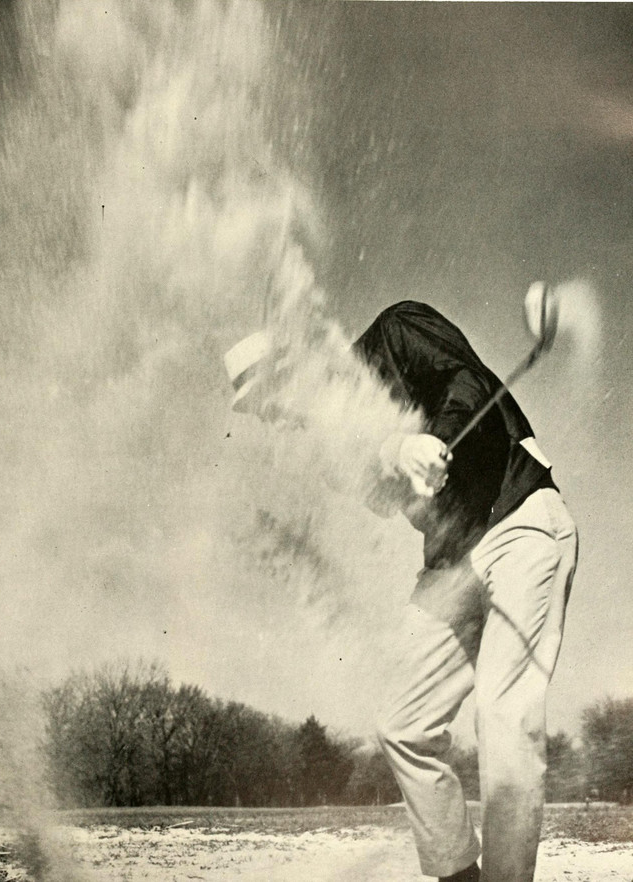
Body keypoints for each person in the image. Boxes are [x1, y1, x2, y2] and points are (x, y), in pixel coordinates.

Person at [224, 300, 578, 882]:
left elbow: (468, 381)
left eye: (277, 399)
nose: (281, 417)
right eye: (268, 413)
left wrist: (435, 437)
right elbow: (382, 494)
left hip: (518, 520)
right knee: (402, 722)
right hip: (450, 565)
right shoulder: (332, 444)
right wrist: (396, 454)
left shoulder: (396, 330)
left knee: (503, 715)